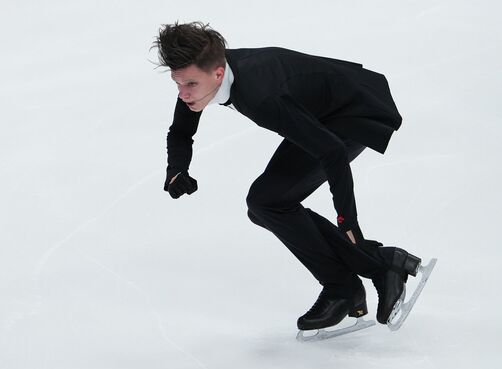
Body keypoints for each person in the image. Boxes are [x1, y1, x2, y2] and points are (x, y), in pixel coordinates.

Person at [152, 21, 426, 335]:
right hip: (320, 111)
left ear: (217, 73)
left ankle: (358, 278)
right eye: (178, 84)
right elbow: (181, 131)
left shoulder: (261, 96)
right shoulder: (204, 68)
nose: (183, 94)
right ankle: (372, 270)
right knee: (265, 205)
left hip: (353, 113)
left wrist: (348, 223)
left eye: (189, 85)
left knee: (267, 203)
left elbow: (333, 153)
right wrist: (177, 170)